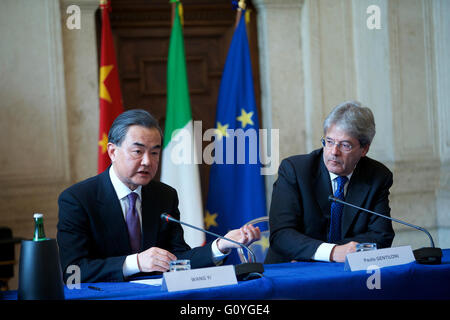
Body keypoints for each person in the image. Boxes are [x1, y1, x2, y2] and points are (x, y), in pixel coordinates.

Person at [57, 109, 260, 283]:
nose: (147, 161)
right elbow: (73, 271)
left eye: (154, 153)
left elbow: (179, 259)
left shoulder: (164, 196)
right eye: (138, 151)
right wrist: (136, 262)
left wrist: (220, 245)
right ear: (112, 151)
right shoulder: (77, 200)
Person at [265, 101, 395, 264]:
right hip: (291, 273)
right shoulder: (295, 171)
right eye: (329, 141)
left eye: (345, 145)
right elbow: (281, 235)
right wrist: (332, 252)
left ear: (364, 149)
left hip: (346, 273)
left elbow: (381, 236)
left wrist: (331, 253)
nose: (334, 152)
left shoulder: (377, 176)